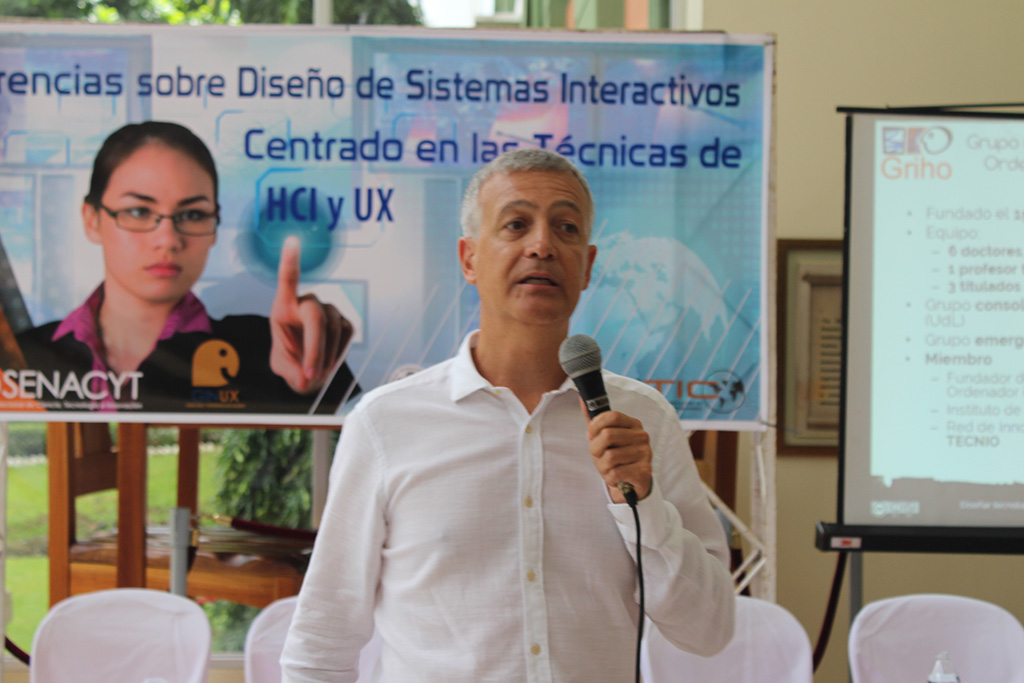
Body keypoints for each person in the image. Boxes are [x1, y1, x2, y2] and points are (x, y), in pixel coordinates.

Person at [280, 148, 735, 681]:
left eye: (565, 228)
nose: (542, 245)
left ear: (587, 267)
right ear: (469, 258)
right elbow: (322, 640)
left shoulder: (643, 422)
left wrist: (643, 502)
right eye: (516, 225)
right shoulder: (386, 424)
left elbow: (709, 631)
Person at [15, 120, 356, 415]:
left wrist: (313, 385)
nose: (168, 239)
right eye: (138, 211)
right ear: (92, 220)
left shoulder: (266, 350)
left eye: (192, 215)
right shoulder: (25, 356)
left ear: (215, 227)